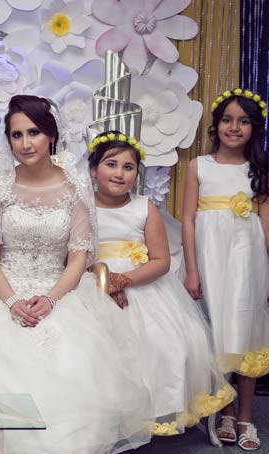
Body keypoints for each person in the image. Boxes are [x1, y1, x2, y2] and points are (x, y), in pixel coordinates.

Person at [0, 95, 153, 454]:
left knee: (72, 356)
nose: (25, 143)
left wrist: (52, 299)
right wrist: (10, 302)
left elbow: (78, 255)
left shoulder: (74, 186)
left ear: (51, 135)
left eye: (33, 132)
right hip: (7, 292)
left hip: (60, 291)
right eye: (17, 134)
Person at [91, 131, 234, 437]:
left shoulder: (144, 207)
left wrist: (123, 280)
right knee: (102, 349)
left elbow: (160, 260)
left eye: (128, 167)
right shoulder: (81, 209)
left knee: (166, 344)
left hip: (141, 285)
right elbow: (71, 256)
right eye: (111, 164)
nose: (119, 173)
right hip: (93, 283)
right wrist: (104, 279)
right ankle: (107, 421)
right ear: (93, 170)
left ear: (136, 175)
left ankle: (150, 416)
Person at [182, 89, 269, 451]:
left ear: (254, 128)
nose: (234, 127)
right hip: (211, 261)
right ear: (216, 125)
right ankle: (225, 411)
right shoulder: (199, 165)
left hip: (247, 263)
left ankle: (246, 416)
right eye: (228, 120)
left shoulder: (257, 170)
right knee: (217, 332)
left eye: (243, 121)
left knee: (245, 333)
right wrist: (192, 270)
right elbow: (187, 220)